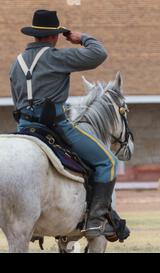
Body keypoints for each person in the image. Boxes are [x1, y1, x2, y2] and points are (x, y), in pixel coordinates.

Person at [9, 9, 127, 241]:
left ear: (34, 35)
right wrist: (83, 37)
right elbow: (98, 54)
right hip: (56, 127)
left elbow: (16, 97)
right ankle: (96, 219)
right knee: (108, 162)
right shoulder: (57, 57)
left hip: (24, 128)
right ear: (54, 36)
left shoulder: (17, 63)